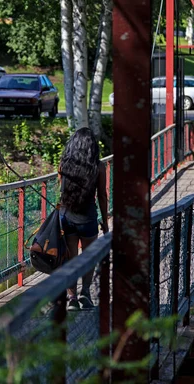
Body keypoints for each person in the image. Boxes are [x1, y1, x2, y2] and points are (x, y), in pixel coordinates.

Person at [59, 127, 109, 311]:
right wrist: (105, 222)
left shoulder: (64, 164)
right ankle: (85, 294)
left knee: (71, 258)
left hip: (67, 217)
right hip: (88, 219)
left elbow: (62, 190)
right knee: (88, 258)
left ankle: (71, 297)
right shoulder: (99, 167)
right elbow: (102, 196)